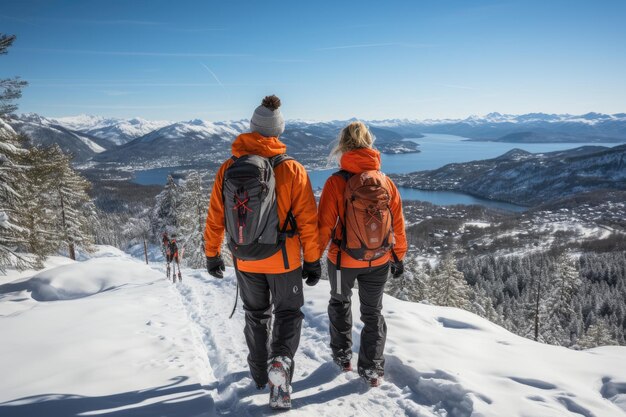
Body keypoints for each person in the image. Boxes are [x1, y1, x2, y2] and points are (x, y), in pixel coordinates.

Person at [204, 95, 321, 408]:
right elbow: (309, 220)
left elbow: (215, 216)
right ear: (278, 132)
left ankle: (259, 375)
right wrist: (312, 260)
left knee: (256, 316)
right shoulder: (292, 169)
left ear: (252, 128)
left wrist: (212, 254)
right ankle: (280, 365)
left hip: (246, 259)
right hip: (283, 262)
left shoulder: (228, 168)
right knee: (287, 313)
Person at [318, 121, 407, 387]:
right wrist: (398, 256)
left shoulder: (336, 182)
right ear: (370, 144)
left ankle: (343, 356)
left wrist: (311, 259)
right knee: (373, 313)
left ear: (342, 146)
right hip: (378, 260)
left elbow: (324, 226)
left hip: (342, 262)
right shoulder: (386, 182)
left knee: (339, 303)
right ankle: (372, 370)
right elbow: (398, 224)